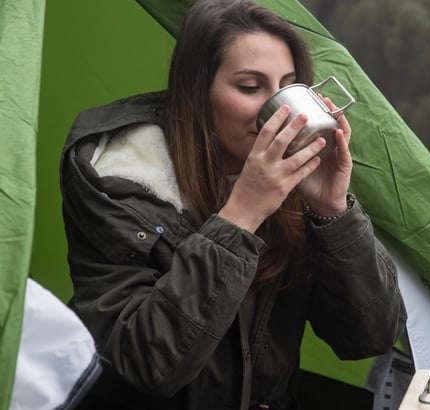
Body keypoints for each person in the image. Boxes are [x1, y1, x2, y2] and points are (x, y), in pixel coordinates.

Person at [58, 0, 406, 408]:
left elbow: (371, 335)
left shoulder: (291, 179)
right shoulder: (119, 179)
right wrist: (241, 215)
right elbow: (149, 364)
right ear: (197, 94)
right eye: (250, 87)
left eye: (289, 87)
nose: (284, 113)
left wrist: (331, 212)